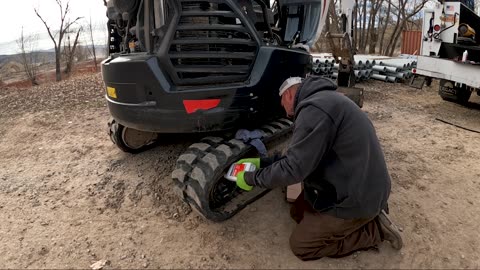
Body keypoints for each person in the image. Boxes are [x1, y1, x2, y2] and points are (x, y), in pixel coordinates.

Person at [235, 76, 403, 261]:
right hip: (359, 183)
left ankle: (375, 230)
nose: (285, 113)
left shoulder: (314, 109)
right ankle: (359, 218)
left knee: (302, 245)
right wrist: (265, 163)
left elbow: (293, 169)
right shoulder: (325, 100)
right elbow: (301, 153)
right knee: (297, 212)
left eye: (282, 103)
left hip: (356, 198)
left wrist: (252, 178)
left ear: (289, 94)